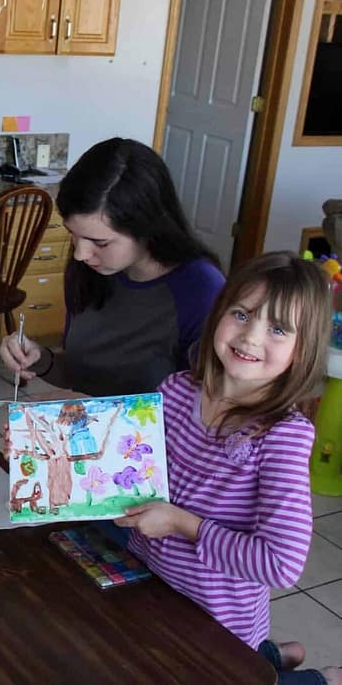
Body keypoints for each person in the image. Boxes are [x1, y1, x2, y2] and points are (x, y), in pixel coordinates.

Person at [114, 251, 339, 685]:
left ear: (303, 349)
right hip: (150, 588)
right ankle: (274, 653)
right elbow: (127, 470)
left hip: (218, 624)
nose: (251, 337)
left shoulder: (282, 436)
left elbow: (280, 564)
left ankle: (321, 678)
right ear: (219, 313)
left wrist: (181, 523)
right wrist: (47, 450)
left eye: (278, 329)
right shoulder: (175, 391)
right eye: (241, 314)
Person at [0, 137, 226, 397]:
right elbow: (84, 374)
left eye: (100, 242)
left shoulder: (201, 290)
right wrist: (41, 359)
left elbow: (209, 407)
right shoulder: (91, 269)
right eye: (73, 234)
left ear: (147, 227)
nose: (80, 254)